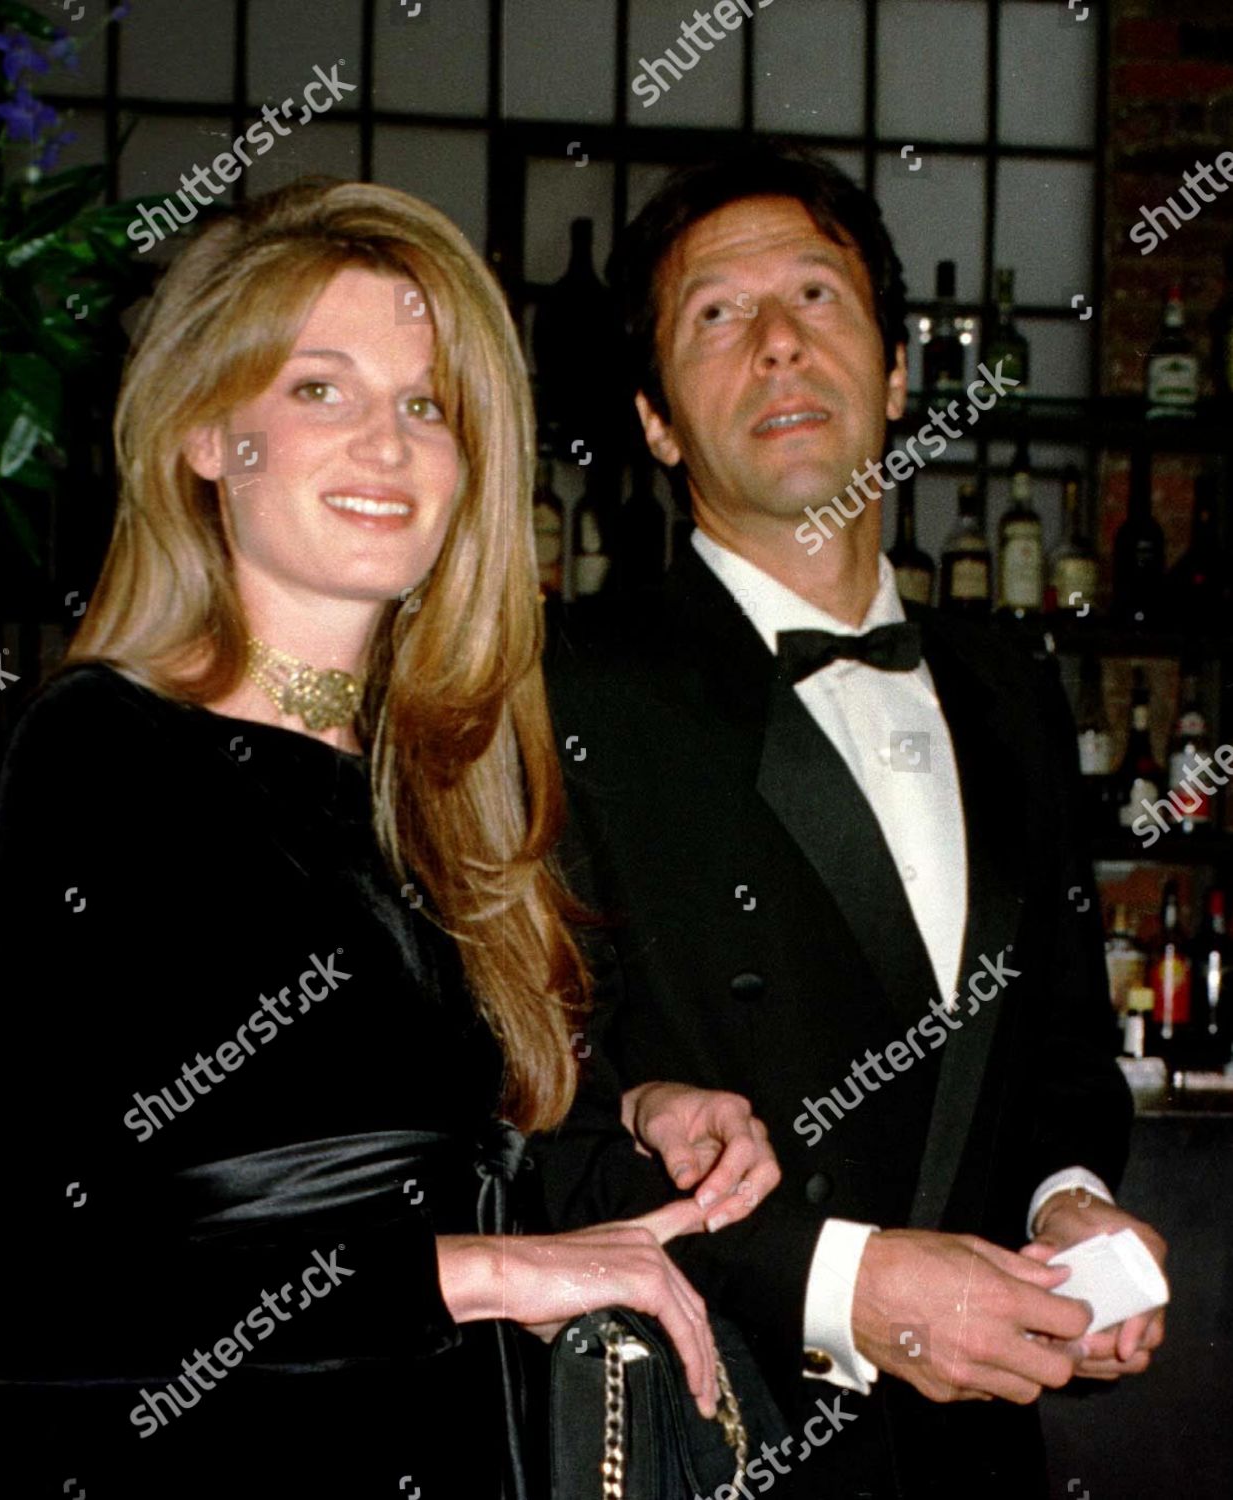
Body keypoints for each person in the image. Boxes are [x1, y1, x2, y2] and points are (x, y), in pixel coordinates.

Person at [0, 178, 781, 1500]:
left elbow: (390, 1151)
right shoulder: (97, 754)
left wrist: (635, 1114)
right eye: (320, 389)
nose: (386, 443)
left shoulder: (443, 781)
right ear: (207, 434)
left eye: (426, 405)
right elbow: (1, 1294)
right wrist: (480, 1272)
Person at [534, 145, 1168, 1499]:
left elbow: (1060, 1044)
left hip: (982, 1461)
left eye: (817, 295)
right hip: (712, 1440)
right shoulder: (561, 694)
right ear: (655, 420)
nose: (776, 341)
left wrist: (1068, 1202)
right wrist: (843, 1285)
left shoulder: (1009, 688)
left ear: (892, 376)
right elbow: (534, 1123)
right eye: (716, 313)